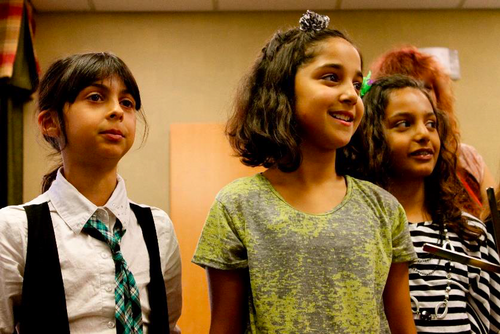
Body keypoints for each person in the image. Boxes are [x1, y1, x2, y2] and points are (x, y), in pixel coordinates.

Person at [192, 11, 417, 334]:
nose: (351, 95)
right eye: (331, 77)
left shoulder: (384, 209)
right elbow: (224, 328)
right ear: (283, 90)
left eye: (357, 84)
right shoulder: (237, 206)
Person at [0, 52, 182, 334]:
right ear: (50, 122)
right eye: (95, 97)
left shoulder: (158, 228)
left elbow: (168, 326)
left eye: (127, 102)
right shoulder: (14, 229)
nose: (117, 111)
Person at [343, 75, 500, 333]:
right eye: (404, 124)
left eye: (431, 124)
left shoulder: (470, 232)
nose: (423, 135)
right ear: (370, 136)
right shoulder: (356, 230)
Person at [370, 46, 497, 216]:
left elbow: (493, 216)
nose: (418, 96)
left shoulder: (467, 158)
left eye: (426, 87)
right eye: (408, 85)